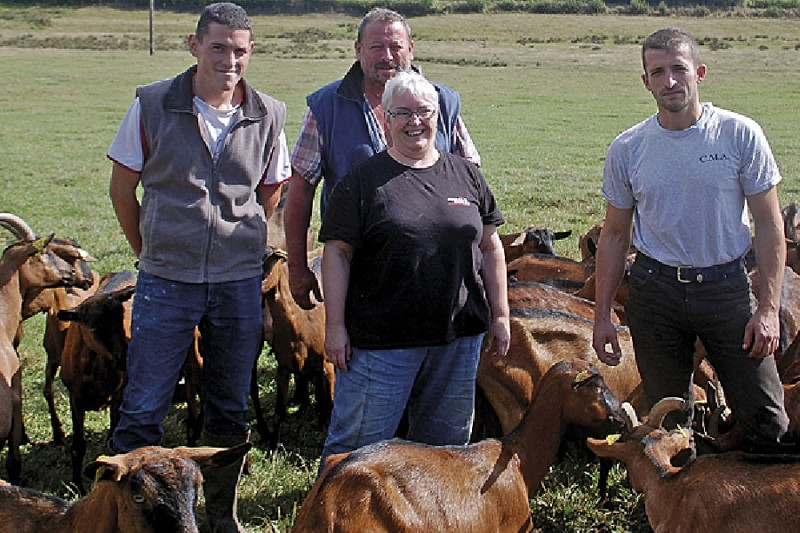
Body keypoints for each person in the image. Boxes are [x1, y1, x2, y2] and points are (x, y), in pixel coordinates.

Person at [106, 3, 290, 531]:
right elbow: (123, 191)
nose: (228, 60)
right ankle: (129, 518)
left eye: (239, 50)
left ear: (250, 52)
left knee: (230, 406)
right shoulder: (152, 104)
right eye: (218, 47)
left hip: (237, 284)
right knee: (144, 406)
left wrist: (239, 241)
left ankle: (219, 516)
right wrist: (152, 252)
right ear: (194, 45)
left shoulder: (269, 113)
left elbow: (270, 191)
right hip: (166, 280)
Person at [592, 27, 789, 452]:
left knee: (767, 417)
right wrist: (602, 313)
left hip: (727, 290)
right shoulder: (628, 148)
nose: (669, 81)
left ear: (699, 72)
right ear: (645, 82)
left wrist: (769, 310)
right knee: (668, 421)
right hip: (655, 291)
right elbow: (613, 235)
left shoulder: (739, 135)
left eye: (678, 69)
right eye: (657, 72)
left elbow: (771, 225)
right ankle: (679, 508)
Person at [317, 71, 510, 471]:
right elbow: (336, 254)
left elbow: (490, 245)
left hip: (457, 339)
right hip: (381, 345)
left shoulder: (466, 174)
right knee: (358, 452)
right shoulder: (362, 183)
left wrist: (501, 314)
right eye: (402, 113)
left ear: (438, 116)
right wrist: (335, 327)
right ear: (385, 119)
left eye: (423, 111)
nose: (414, 121)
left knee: (445, 453)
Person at [285, 6, 481, 310]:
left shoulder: (441, 102)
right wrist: (297, 267)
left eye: (395, 47)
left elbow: (472, 183)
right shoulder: (326, 108)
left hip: (440, 275)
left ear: (411, 50)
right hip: (360, 276)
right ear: (358, 50)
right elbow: (300, 192)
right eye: (376, 47)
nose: (387, 56)